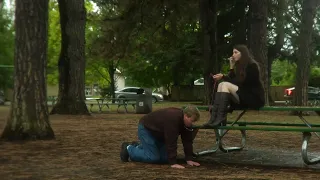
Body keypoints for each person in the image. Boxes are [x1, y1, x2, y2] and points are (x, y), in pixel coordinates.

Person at [120, 106, 201, 169]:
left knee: (165, 159)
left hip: (160, 134)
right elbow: (171, 140)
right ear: (186, 116)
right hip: (147, 129)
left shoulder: (186, 124)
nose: (192, 123)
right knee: (153, 158)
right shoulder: (173, 118)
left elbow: (187, 141)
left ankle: (139, 147)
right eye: (192, 120)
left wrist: (189, 159)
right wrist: (173, 163)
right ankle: (129, 149)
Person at [203, 44, 265, 127]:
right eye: (233, 52)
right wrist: (231, 67)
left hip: (253, 98)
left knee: (225, 84)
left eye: (236, 52)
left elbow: (240, 83)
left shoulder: (252, 66)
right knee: (221, 84)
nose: (233, 55)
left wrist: (224, 76)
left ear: (243, 53)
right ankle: (213, 118)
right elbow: (235, 81)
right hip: (243, 95)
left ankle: (220, 118)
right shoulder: (240, 66)